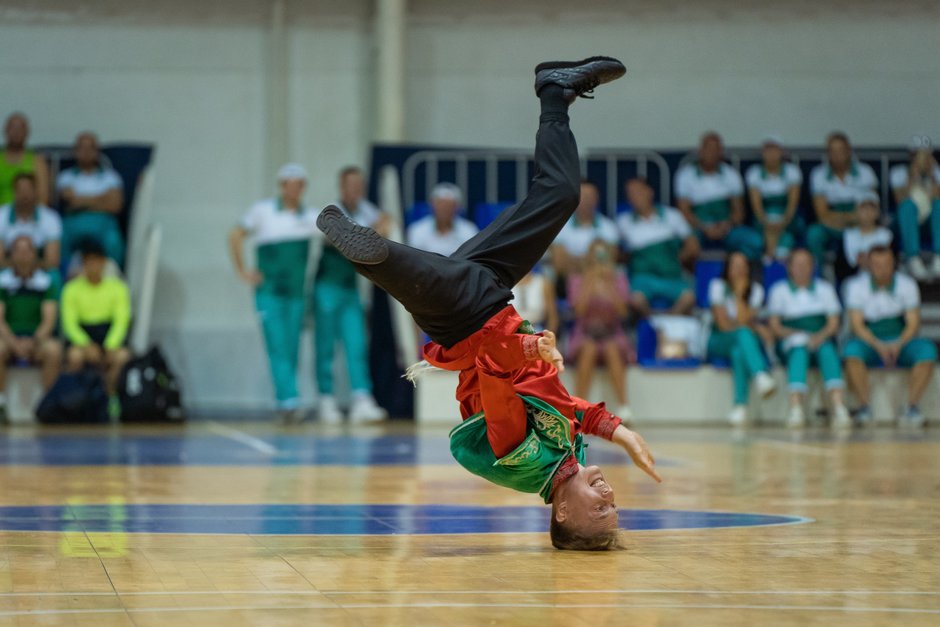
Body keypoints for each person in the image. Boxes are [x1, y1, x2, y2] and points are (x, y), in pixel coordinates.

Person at [316, 57, 660, 550]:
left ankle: (372, 255)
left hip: (467, 315)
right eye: (615, 507)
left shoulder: (521, 459)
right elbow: (565, 406)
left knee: (405, 267)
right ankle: (555, 93)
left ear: (562, 510)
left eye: (600, 508)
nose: (610, 497)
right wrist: (621, 433)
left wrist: (532, 350)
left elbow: (495, 370)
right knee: (561, 194)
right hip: (491, 293)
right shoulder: (563, 455)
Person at [229, 163, 318, 423]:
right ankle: (290, 400)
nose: (293, 189)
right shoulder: (262, 211)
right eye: (289, 184)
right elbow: (235, 235)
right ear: (281, 186)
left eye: (298, 184)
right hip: (269, 293)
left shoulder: (311, 216)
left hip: (296, 294)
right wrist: (242, 270)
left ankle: (284, 401)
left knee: (291, 348)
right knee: (277, 346)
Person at [313, 166, 388, 423]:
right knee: (325, 346)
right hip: (326, 287)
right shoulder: (331, 211)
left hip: (351, 289)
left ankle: (362, 398)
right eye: (351, 185)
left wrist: (381, 225)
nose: (356, 190)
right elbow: (342, 239)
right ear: (342, 187)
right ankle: (326, 399)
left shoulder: (366, 210)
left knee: (356, 344)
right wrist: (372, 231)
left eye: (360, 185)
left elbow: (387, 224)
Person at [843, 245, 937, 427]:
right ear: (868, 265)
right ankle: (865, 408)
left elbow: (913, 323)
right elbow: (857, 325)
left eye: (886, 264)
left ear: (893, 263)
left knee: (927, 351)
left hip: (901, 337)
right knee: (851, 351)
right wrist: (878, 345)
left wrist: (898, 344)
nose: (882, 269)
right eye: (876, 265)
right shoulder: (857, 286)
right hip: (870, 339)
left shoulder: (907, 285)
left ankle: (911, 408)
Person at [767, 249, 850, 429]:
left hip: (821, 338)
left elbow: (833, 323)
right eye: (797, 264)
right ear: (789, 267)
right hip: (790, 342)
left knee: (827, 349)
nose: (802, 269)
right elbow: (775, 326)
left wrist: (818, 337)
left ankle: (838, 405)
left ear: (813, 267)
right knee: (799, 350)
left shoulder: (825, 289)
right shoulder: (779, 291)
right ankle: (796, 407)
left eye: (806, 264)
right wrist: (798, 335)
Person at [706, 251, 777, 426]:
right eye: (735, 266)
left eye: (743, 266)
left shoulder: (756, 290)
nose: (740, 270)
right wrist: (737, 295)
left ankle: (740, 407)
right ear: (727, 269)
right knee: (744, 333)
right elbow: (723, 325)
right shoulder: (717, 286)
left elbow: (743, 320)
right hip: (717, 340)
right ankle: (760, 374)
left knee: (739, 351)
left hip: (740, 342)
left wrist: (740, 296)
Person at [60, 239, 131, 413]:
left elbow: (122, 319)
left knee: (122, 357)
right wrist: (85, 344)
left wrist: (110, 345)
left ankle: (110, 398)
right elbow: (69, 323)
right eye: (88, 261)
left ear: (104, 263)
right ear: (83, 264)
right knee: (75, 356)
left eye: (96, 261)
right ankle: (75, 402)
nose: (93, 266)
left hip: (107, 334)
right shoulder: (71, 289)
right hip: (84, 335)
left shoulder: (118, 288)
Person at [567, 240, 632, 421]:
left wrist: (609, 284)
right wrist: (589, 281)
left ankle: (624, 407)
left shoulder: (619, 279)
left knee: (611, 348)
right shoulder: (577, 279)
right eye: (596, 256)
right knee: (589, 348)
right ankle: (579, 408)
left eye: (602, 256)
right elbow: (578, 310)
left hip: (612, 332)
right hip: (584, 333)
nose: (599, 261)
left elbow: (622, 311)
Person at [0, 236, 62, 420]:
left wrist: (33, 342)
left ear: (35, 254)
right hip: (9, 338)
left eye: (27, 250)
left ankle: (48, 406)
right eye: (18, 250)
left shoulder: (46, 282)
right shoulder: (3, 281)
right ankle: (1, 403)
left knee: (54, 350)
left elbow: (48, 320)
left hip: (36, 339)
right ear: (11, 255)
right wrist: (13, 344)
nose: (23, 255)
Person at [675, 132, 763, 260]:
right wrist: (705, 228)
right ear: (700, 151)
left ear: (721, 152)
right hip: (698, 228)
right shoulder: (686, 175)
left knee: (754, 242)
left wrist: (726, 226)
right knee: (679, 244)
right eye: (708, 149)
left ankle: (736, 272)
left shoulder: (731, 175)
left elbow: (739, 212)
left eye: (716, 149)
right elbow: (684, 211)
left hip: (726, 229)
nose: (712, 153)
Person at [618, 177, 698, 316]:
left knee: (689, 297)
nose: (634, 197)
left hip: (671, 277)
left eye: (637, 191)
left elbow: (693, 245)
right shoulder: (623, 222)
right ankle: (652, 322)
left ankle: (668, 321)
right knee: (635, 300)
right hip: (643, 279)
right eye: (630, 194)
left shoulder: (673, 216)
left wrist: (673, 260)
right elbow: (618, 252)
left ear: (650, 192)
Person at [56, 132, 126, 270]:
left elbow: (115, 206)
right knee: (60, 239)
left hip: (103, 223)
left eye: (90, 148)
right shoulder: (66, 176)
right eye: (82, 148)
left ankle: (114, 277)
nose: (86, 152)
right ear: (75, 151)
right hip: (74, 222)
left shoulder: (111, 177)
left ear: (97, 151)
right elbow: (71, 202)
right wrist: (102, 199)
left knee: (114, 241)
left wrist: (82, 201)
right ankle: (65, 276)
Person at [807, 132, 878, 267]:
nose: (836, 155)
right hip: (832, 225)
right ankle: (819, 277)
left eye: (840, 150)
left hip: (860, 223)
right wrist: (847, 219)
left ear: (849, 151)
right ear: (827, 153)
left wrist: (855, 220)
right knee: (814, 234)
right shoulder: (818, 174)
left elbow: (872, 208)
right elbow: (822, 214)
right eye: (832, 151)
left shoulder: (865, 172)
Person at [745, 135, 804, 260]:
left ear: (781, 152)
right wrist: (766, 222)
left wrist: (784, 221)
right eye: (768, 150)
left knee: (787, 233)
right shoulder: (754, 173)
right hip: (764, 218)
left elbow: (792, 204)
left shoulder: (792, 171)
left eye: (774, 150)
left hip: (788, 217)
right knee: (780, 235)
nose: (771, 154)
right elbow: (757, 207)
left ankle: (771, 257)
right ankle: (774, 254)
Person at [550, 180, 620, 285]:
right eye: (583, 195)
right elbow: (560, 265)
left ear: (597, 198)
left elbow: (611, 260)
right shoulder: (560, 226)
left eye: (590, 196)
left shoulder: (609, 227)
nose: (587, 200)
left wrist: (575, 261)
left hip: (601, 282)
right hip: (567, 282)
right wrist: (592, 259)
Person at [891, 135, 940, 280]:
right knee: (907, 206)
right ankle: (912, 258)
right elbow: (900, 200)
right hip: (905, 223)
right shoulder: (899, 172)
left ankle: (939, 257)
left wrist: (931, 175)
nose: (922, 159)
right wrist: (913, 175)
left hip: (929, 223)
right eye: (917, 154)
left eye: (926, 155)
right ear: (910, 155)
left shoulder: (937, 172)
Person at [0, 173, 62, 271]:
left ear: (35, 191)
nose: (25, 195)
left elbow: (52, 261)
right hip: (8, 270)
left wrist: (27, 267)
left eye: (28, 190)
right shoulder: (2, 215)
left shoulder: (50, 218)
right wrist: (21, 267)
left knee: (54, 275)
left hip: (40, 270)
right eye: (21, 190)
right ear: (14, 192)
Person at [406, 183, 478, 256]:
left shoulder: (469, 230)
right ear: (432, 206)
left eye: (449, 206)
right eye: (441, 205)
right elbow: (415, 259)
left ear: (457, 208)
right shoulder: (417, 230)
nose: (445, 209)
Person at [0, 113, 49, 207]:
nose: (16, 132)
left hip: (28, 216)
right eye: (12, 128)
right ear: (5, 131)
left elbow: (43, 198)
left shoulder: (37, 161)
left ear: (27, 132)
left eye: (20, 129)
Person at [842, 192, 893, 274]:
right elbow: (851, 263)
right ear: (857, 212)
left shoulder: (886, 235)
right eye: (864, 209)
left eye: (871, 209)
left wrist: (866, 259)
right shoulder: (849, 235)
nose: (867, 213)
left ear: (877, 212)